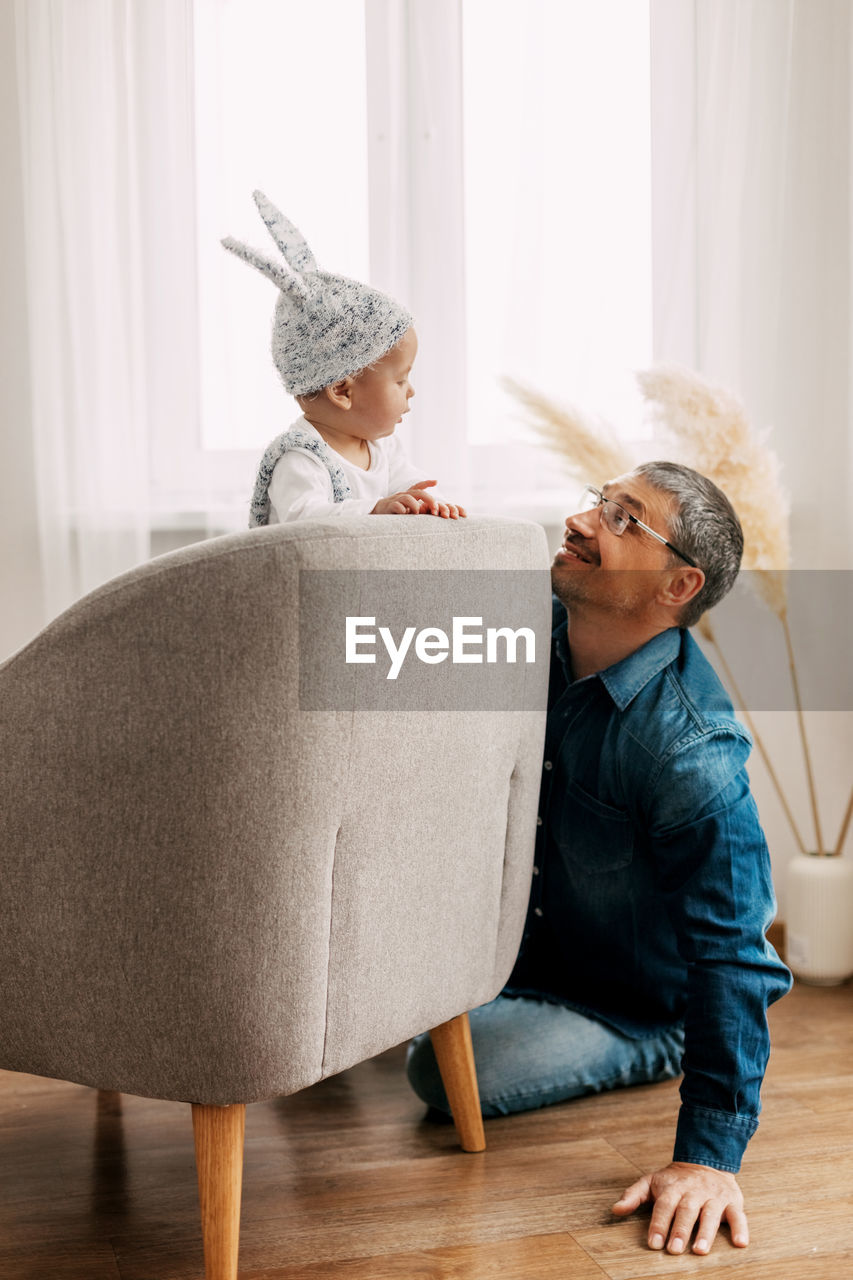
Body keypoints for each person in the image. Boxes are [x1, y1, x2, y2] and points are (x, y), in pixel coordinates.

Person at [406, 460, 792, 1256]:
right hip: (520, 955)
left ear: (677, 586)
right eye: (598, 503)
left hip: (629, 1002)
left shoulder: (690, 751)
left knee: (439, 1076)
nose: (583, 521)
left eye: (623, 521)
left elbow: (736, 953)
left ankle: (663, 1044)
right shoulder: (529, 638)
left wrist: (705, 1157)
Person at [222, 192, 465, 526]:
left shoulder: (382, 448)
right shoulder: (301, 457)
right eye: (400, 379)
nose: (411, 391)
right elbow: (304, 518)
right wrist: (375, 508)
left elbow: (404, 483)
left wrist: (424, 501)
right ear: (342, 391)